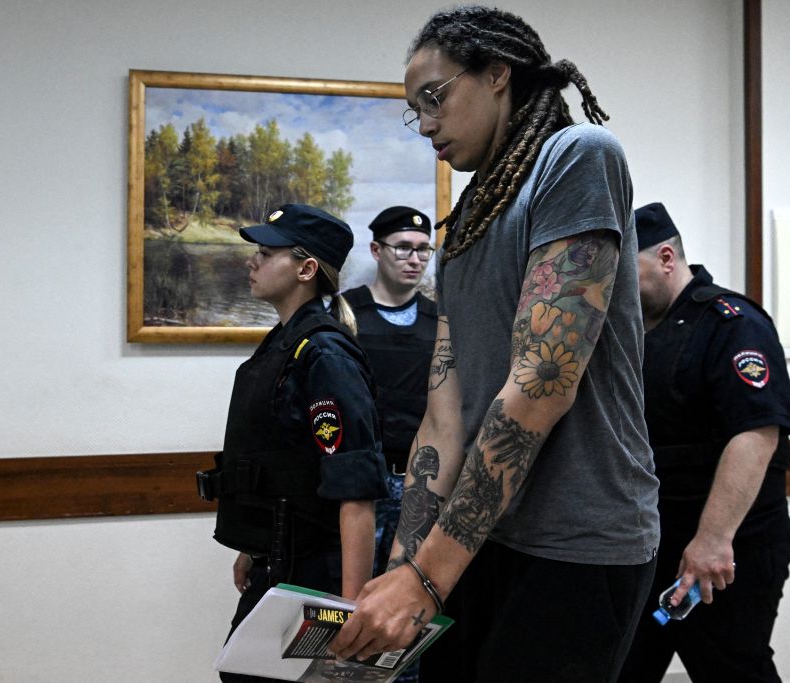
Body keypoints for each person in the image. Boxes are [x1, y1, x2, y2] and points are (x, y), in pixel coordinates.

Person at [328, 7, 660, 682]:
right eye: (412, 110)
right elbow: (442, 414)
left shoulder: (577, 158)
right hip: (478, 539)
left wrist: (426, 577)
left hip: (578, 541)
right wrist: (400, 572)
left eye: (434, 97)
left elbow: (542, 382)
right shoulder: (466, 223)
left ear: (499, 74)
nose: (424, 124)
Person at [196, 203, 389, 683]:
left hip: (313, 579)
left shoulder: (324, 353)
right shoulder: (285, 342)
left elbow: (354, 488)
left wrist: (351, 610)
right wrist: (252, 546)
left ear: (305, 269)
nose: (252, 261)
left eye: (265, 252)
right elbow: (280, 463)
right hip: (277, 565)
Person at [616, 202, 790, 683]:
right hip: (653, 547)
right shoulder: (632, 334)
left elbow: (756, 435)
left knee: (733, 669)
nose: (613, 290)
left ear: (667, 258)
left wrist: (712, 540)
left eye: (622, 274)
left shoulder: (731, 323)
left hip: (726, 552)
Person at [342, 205, 437, 578]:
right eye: (402, 248)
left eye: (423, 250)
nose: (414, 259)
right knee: (348, 594)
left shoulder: (440, 319)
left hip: (419, 484)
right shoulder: (345, 313)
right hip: (360, 484)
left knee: (407, 593)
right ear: (377, 251)